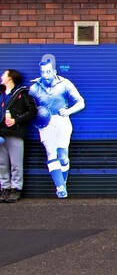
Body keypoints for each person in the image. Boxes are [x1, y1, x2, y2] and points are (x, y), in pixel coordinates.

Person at [28, 53, 85, 199]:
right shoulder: (34, 88)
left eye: (48, 72)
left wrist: (68, 111)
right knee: (51, 154)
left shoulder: (65, 84)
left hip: (62, 121)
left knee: (63, 157)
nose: (45, 75)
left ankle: (62, 182)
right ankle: (60, 187)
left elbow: (81, 102)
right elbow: (29, 109)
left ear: (54, 71)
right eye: (42, 72)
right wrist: (34, 118)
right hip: (45, 125)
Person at [0, 69, 37, 202]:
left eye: (4, 74)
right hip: (1, 133)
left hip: (15, 133)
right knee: (1, 163)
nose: (2, 76)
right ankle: (5, 188)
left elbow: (32, 111)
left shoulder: (22, 94)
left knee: (16, 163)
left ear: (10, 78)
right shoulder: (1, 93)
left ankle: (16, 189)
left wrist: (16, 120)